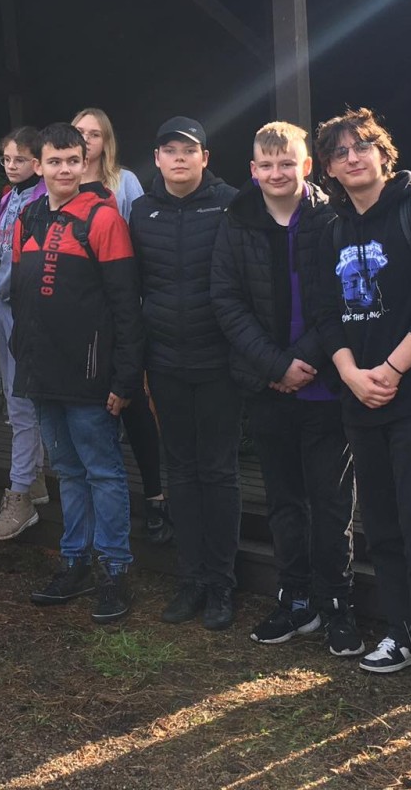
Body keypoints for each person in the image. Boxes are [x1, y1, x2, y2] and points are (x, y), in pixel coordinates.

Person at [310, 108, 411, 697]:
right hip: (361, 399)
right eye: (340, 152)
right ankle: (400, 633)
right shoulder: (330, 230)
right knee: (381, 526)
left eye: (362, 146)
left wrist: (393, 368)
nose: (353, 157)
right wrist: (351, 373)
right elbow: (325, 313)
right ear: (328, 168)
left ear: (383, 153)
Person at [212, 122, 363, 657]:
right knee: (283, 502)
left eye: (286, 163)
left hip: (326, 385)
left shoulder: (332, 218)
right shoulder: (236, 221)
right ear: (253, 171)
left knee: (331, 503)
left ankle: (338, 603)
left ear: (306, 166)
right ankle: (296, 598)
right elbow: (226, 301)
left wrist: (306, 360)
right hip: (267, 386)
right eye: (266, 165)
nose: (277, 173)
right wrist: (276, 365)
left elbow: (344, 296)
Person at [14, 122, 144, 624]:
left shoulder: (103, 218)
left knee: (103, 471)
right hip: (42, 373)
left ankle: (114, 569)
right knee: (68, 471)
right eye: (54, 161)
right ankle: (75, 562)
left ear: (85, 161)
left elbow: (126, 305)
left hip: (90, 375)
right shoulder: (27, 217)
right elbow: (21, 297)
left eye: (73, 160)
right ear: (39, 166)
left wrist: (124, 376)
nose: (64, 170)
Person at [129, 116, 240, 629]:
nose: (179, 158)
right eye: (169, 150)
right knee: (181, 471)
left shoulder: (231, 204)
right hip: (165, 362)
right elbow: (132, 289)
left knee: (218, 471)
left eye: (188, 150)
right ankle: (191, 578)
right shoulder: (140, 211)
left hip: (218, 362)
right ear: (157, 159)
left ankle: (222, 583)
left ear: (204, 158)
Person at [73, 107, 168, 541]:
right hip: (79, 312)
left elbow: (139, 245)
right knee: (91, 410)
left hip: (121, 303)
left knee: (132, 402)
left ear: (106, 141)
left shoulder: (124, 182)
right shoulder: (60, 182)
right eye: (79, 132)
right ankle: (103, 506)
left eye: (94, 134)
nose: (86, 140)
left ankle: (155, 496)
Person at [0, 125, 50, 542]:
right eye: (6, 159)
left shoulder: (43, 200)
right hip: (3, 307)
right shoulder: (9, 197)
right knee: (15, 398)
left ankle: (21, 490)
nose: (12, 166)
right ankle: (34, 476)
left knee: (25, 400)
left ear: (38, 162)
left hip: (28, 309)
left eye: (20, 159)